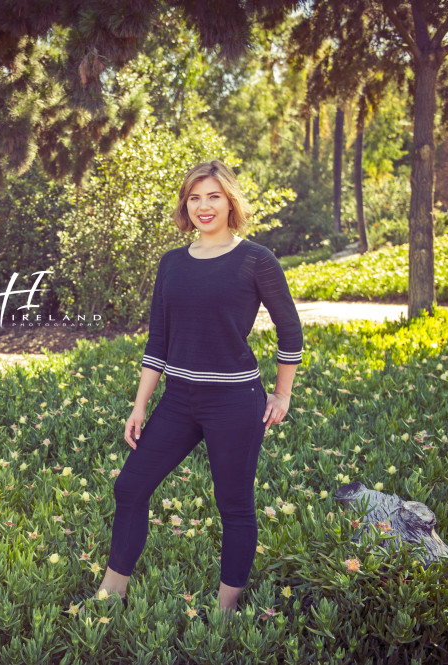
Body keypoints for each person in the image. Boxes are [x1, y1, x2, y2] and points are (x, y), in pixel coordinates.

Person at [94, 159, 303, 613]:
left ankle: (225, 612)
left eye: (214, 196)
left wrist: (282, 393)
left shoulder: (255, 260)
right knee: (130, 487)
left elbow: (291, 331)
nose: (203, 206)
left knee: (233, 504)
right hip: (179, 401)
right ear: (185, 205)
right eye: (194, 197)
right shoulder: (171, 264)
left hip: (235, 402)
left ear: (230, 202)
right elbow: (158, 341)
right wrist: (139, 406)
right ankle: (112, 593)